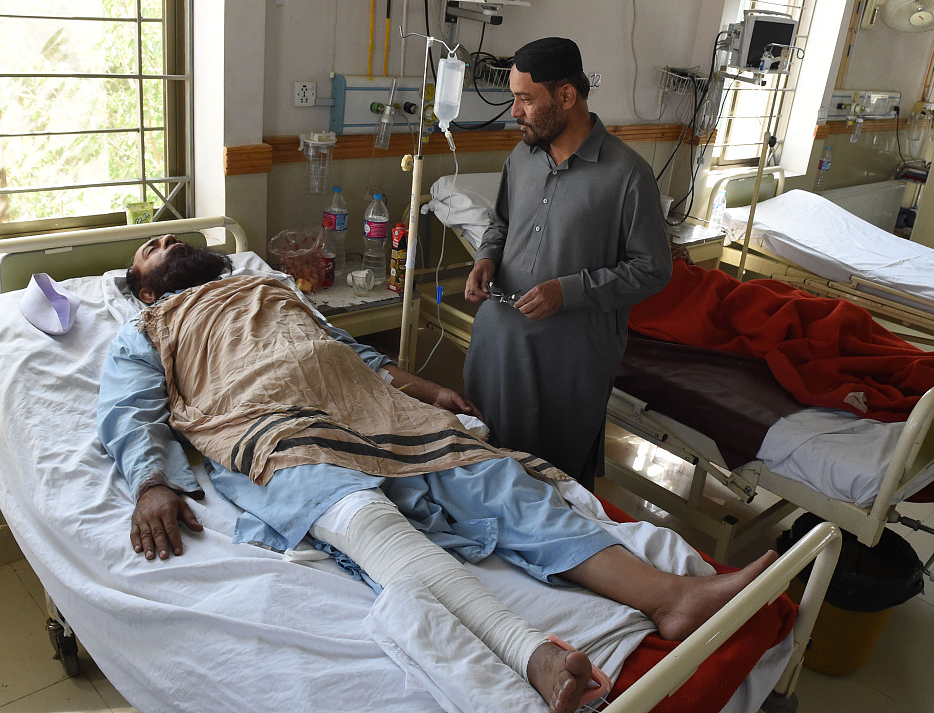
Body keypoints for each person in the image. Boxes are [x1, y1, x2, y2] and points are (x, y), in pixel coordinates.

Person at [98, 235, 776, 713]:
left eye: (173, 236)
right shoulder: (151, 325)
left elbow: (347, 351)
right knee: (363, 515)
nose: (167, 240)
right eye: (152, 247)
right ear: (146, 287)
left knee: (496, 481)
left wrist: (426, 389)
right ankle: (531, 654)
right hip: (270, 424)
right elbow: (129, 410)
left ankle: (668, 595)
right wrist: (152, 482)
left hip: (373, 405)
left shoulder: (271, 286)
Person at [463, 37, 673, 492]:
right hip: (497, 346)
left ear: (565, 96)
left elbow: (652, 268)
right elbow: (500, 224)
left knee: (553, 485)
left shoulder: (626, 174)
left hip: (567, 360)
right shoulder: (522, 158)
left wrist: (569, 291)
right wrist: (486, 257)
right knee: (484, 467)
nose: (515, 112)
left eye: (525, 99)